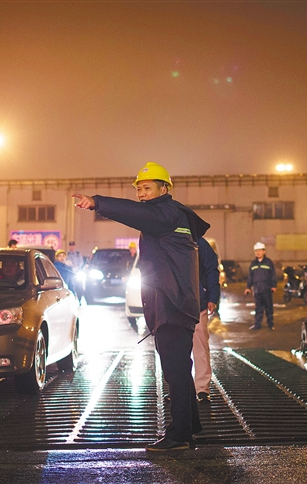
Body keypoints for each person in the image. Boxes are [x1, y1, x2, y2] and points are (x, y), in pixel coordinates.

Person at [73, 161, 209, 451]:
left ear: (164, 188)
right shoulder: (173, 215)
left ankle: (179, 436)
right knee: (180, 368)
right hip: (177, 302)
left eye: (147, 188)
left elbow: (134, 213)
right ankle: (190, 425)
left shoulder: (166, 213)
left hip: (171, 304)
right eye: (138, 189)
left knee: (174, 370)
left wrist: (97, 202)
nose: (141, 194)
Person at [194, 237, 220, 403]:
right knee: (177, 352)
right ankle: (181, 388)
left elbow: (211, 270)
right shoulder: (167, 239)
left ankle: (201, 388)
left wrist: (212, 297)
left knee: (200, 347)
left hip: (197, 304)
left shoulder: (199, 244)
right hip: (176, 306)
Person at [244, 242, 277, 330]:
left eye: (260, 250)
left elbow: (273, 274)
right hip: (257, 289)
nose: (258, 252)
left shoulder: (268, 262)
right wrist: (248, 287)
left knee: (268, 307)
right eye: (256, 251)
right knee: (258, 308)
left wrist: (273, 285)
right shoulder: (253, 264)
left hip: (266, 289)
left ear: (264, 251)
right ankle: (257, 324)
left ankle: (270, 324)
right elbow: (250, 276)